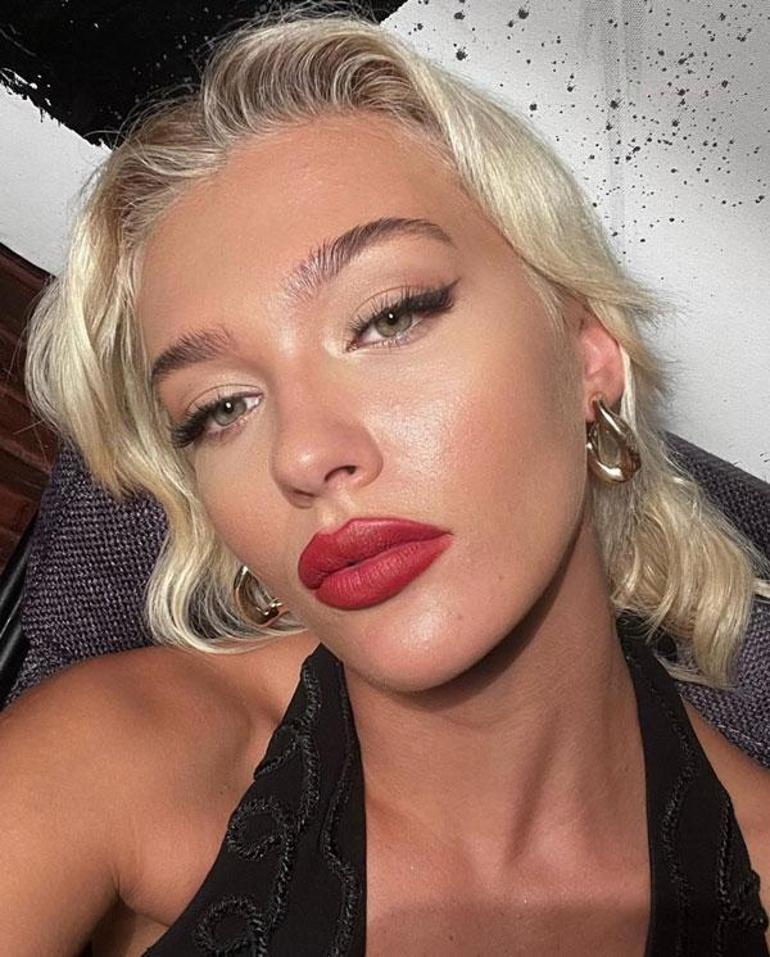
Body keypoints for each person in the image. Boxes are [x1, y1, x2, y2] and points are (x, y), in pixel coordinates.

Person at [2, 5, 769, 955]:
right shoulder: (101, 768)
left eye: (390, 317)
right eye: (222, 407)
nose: (301, 454)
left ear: (589, 355)